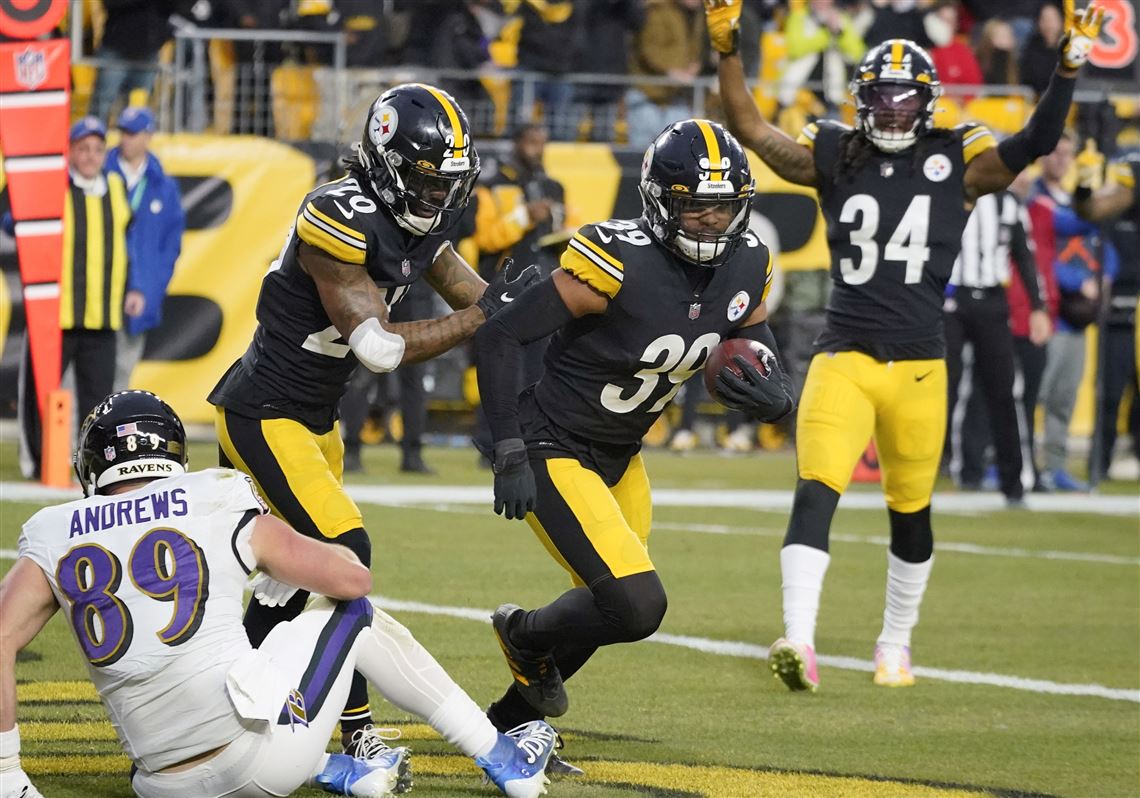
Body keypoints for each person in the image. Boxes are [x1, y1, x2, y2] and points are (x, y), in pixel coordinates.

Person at [704, 0, 1103, 689]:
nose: (890, 110)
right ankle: (798, 641)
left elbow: (1035, 141)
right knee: (814, 491)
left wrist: (1066, 68)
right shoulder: (834, 155)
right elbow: (748, 126)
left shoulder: (961, 159)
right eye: (879, 97)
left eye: (903, 98)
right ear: (860, 102)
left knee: (910, 511)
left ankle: (896, 642)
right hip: (844, 358)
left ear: (927, 103)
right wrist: (729, 49)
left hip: (919, 367)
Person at [0, 390, 558, 798]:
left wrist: (6, 775)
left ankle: (341, 770)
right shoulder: (214, 494)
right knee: (353, 615)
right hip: (256, 767)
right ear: (173, 455)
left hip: (157, 785)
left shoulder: (57, 529)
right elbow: (351, 582)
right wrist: (292, 553)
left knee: (252, 653)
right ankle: (504, 758)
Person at [207, 83, 539, 757]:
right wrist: (481, 317)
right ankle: (352, 732)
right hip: (264, 414)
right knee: (342, 558)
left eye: (448, 181)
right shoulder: (338, 214)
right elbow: (379, 347)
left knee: (288, 583)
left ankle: (223, 711)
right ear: (388, 164)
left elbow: (481, 297)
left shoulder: (420, 221)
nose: (438, 194)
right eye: (426, 179)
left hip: (313, 422)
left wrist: (537, 311)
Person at [474, 119, 795, 768]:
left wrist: (775, 388)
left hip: (621, 454)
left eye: (723, 207)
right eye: (694, 206)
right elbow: (501, 335)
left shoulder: (749, 259)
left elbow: (753, 335)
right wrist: (508, 446)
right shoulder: (618, 260)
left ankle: (505, 729)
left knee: (610, 605)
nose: (709, 222)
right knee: (636, 601)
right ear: (659, 202)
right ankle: (523, 634)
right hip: (552, 442)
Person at [11, 117, 132, 479]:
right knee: (40, 395)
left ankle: (94, 466)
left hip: (103, 316)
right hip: (56, 316)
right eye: (83, 149)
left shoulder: (116, 186)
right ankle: (38, 463)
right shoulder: (55, 189)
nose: (90, 156)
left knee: (99, 401)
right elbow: (17, 218)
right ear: (71, 152)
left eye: (96, 149)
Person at [944, 188, 1050, 504]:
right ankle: (944, 467)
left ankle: (1014, 482)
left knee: (1004, 390)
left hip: (992, 299)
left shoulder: (1009, 204)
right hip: (951, 297)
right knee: (939, 383)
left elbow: (1024, 254)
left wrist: (1038, 306)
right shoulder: (947, 193)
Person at [471, 123, 572, 456]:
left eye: (542, 143)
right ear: (517, 144)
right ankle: (489, 441)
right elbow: (486, 239)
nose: (537, 150)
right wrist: (524, 217)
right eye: (531, 143)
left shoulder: (552, 186)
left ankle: (531, 440)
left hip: (544, 290)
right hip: (503, 288)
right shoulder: (492, 185)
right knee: (500, 369)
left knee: (536, 373)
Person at [1073, 145, 1140, 481]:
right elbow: (1087, 210)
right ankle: (1100, 464)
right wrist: (1083, 187)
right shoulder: (1113, 216)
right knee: (1110, 395)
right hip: (1117, 316)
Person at [106, 106, 185, 391]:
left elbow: (170, 245)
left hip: (138, 295)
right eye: (123, 132)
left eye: (133, 133)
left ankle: (107, 432)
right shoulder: (103, 173)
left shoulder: (163, 186)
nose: (125, 139)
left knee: (123, 368)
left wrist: (150, 288)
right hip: (100, 287)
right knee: (91, 367)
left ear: (148, 136)